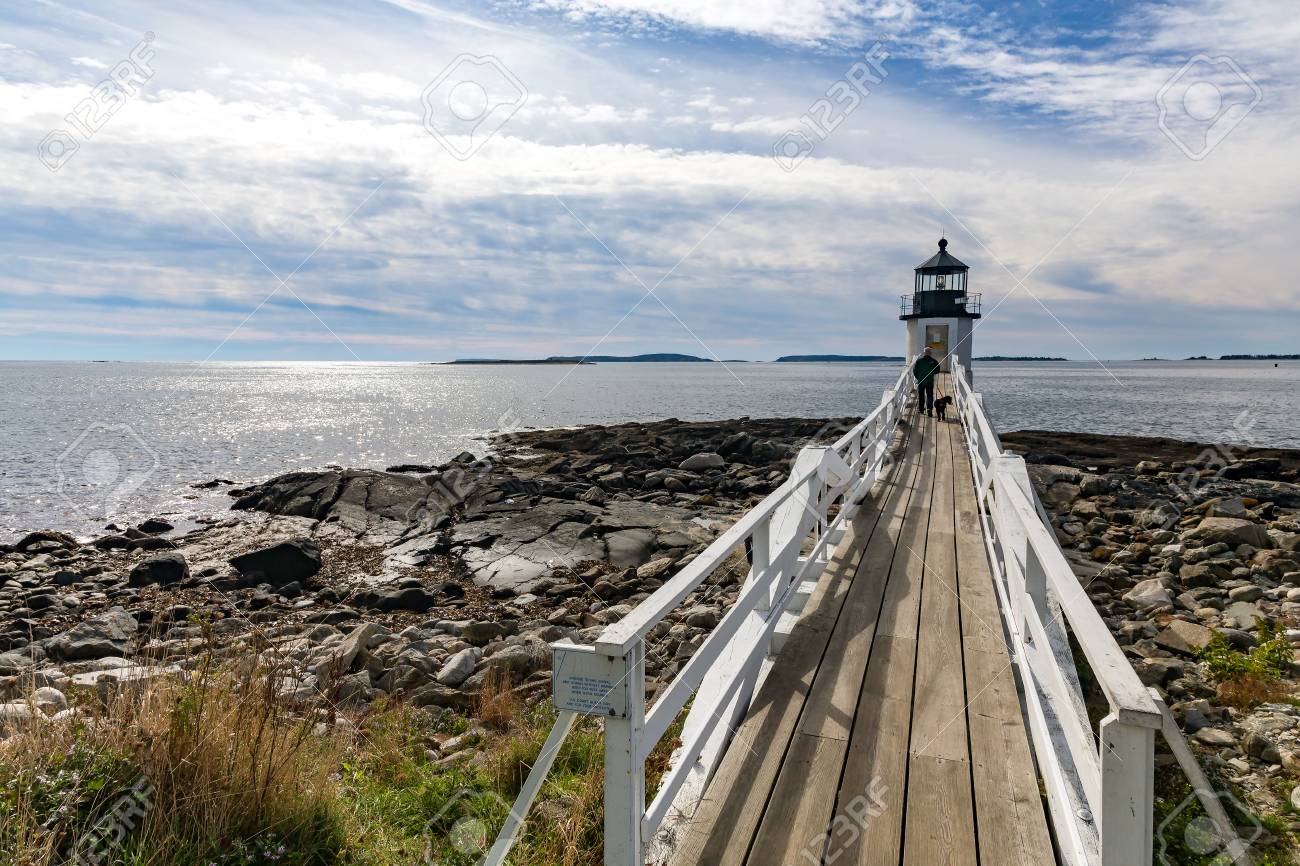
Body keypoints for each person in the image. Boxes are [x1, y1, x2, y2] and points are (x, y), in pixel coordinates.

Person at [913, 347, 940, 415]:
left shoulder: (919, 361)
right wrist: (932, 373)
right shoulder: (934, 361)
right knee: (929, 395)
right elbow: (937, 370)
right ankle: (929, 409)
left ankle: (921, 409)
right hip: (929, 381)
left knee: (921, 395)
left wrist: (918, 377)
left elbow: (915, 371)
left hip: (921, 381)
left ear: (924, 352)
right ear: (930, 353)